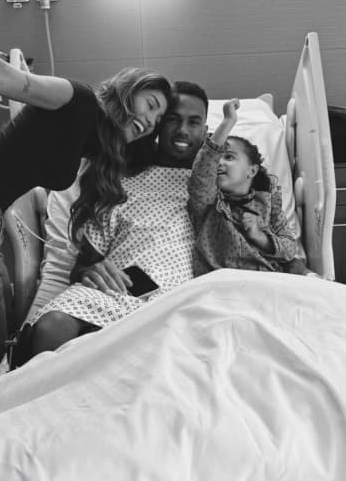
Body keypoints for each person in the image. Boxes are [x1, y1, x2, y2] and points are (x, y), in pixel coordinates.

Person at [0, 35, 173, 395]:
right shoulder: (79, 99)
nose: (151, 121)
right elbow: (5, 77)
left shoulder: (93, 143)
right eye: (151, 105)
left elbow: (28, 137)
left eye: (158, 119)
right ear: (126, 91)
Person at [25, 81, 210, 357]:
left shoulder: (217, 186)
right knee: (53, 327)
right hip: (120, 286)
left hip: (180, 294)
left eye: (194, 122)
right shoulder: (124, 180)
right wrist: (90, 270)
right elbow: (84, 260)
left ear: (206, 131)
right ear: (159, 125)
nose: (183, 130)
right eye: (173, 119)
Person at [188, 99, 297, 277]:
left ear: (251, 170)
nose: (219, 163)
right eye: (218, 158)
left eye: (229, 157)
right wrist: (228, 122)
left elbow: (290, 248)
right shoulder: (209, 203)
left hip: (264, 279)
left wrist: (260, 237)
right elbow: (203, 171)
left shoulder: (268, 204)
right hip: (220, 282)